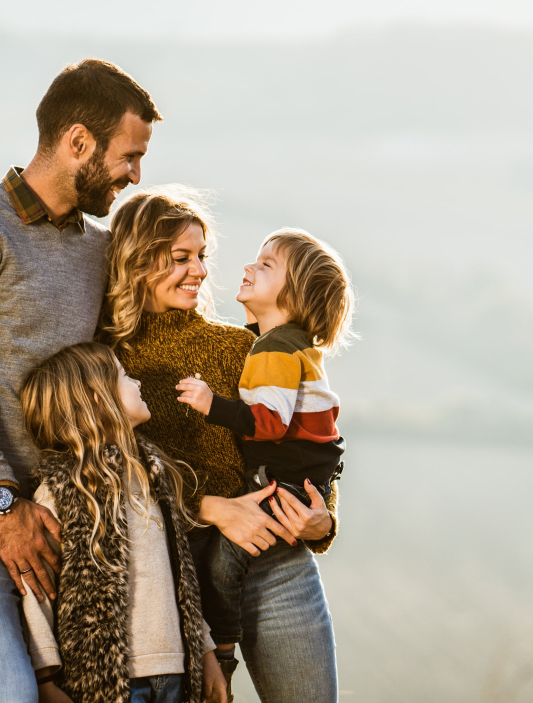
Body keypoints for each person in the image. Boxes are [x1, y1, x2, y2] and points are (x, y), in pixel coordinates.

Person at [0, 58, 160, 702]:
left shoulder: (99, 251)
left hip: (61, 518)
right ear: (78, 142)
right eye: (129, 156)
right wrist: (2, 504)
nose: (136, 175)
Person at [98, 188, 340, 702]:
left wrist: (323, 521)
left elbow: (305, 441)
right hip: (186, 583)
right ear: (137, 261)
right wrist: (213, 509)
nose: (201, 271)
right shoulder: (107, 365)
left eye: (201, 256)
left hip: (279, 567)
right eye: (181, 258)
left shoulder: (242, 347)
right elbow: (111, 479)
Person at [176, 227, 353, 669]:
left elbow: (270, 425)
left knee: (221, 566)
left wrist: (210, 404)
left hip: (288, 489)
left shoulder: (273, 349)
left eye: (265, 264)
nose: (248, 267)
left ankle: (223, 650)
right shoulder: (284, 346)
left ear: (293, 298)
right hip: (295, 479)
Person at [18, 342, 227, 703]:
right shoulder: (63, 491)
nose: (138, 382)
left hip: (177, 673)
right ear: (98, 400)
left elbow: (182, 578)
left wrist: (206, 650)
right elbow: (36, 590)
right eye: (124, 376)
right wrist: (44, 677)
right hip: (110, 683)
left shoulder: (153, 475)